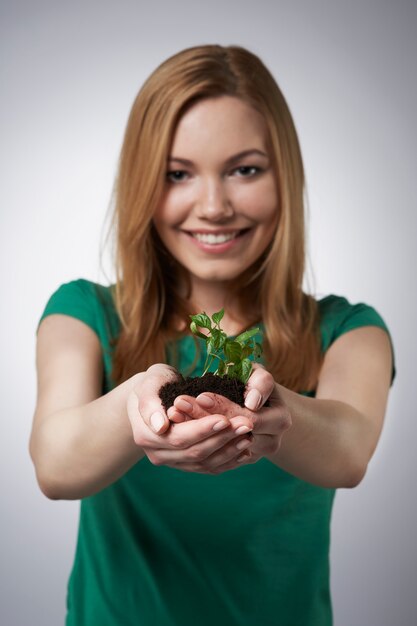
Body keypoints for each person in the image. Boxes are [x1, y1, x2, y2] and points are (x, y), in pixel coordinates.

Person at [29, 44, 396, 626]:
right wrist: (138, 401)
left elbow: (349, 452)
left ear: (285, 177)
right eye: (177, 175)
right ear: (142, 183)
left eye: (244, 169)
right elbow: (54, 464)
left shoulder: (347, 330)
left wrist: (278, 411)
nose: (214, 205)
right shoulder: (84, 313)